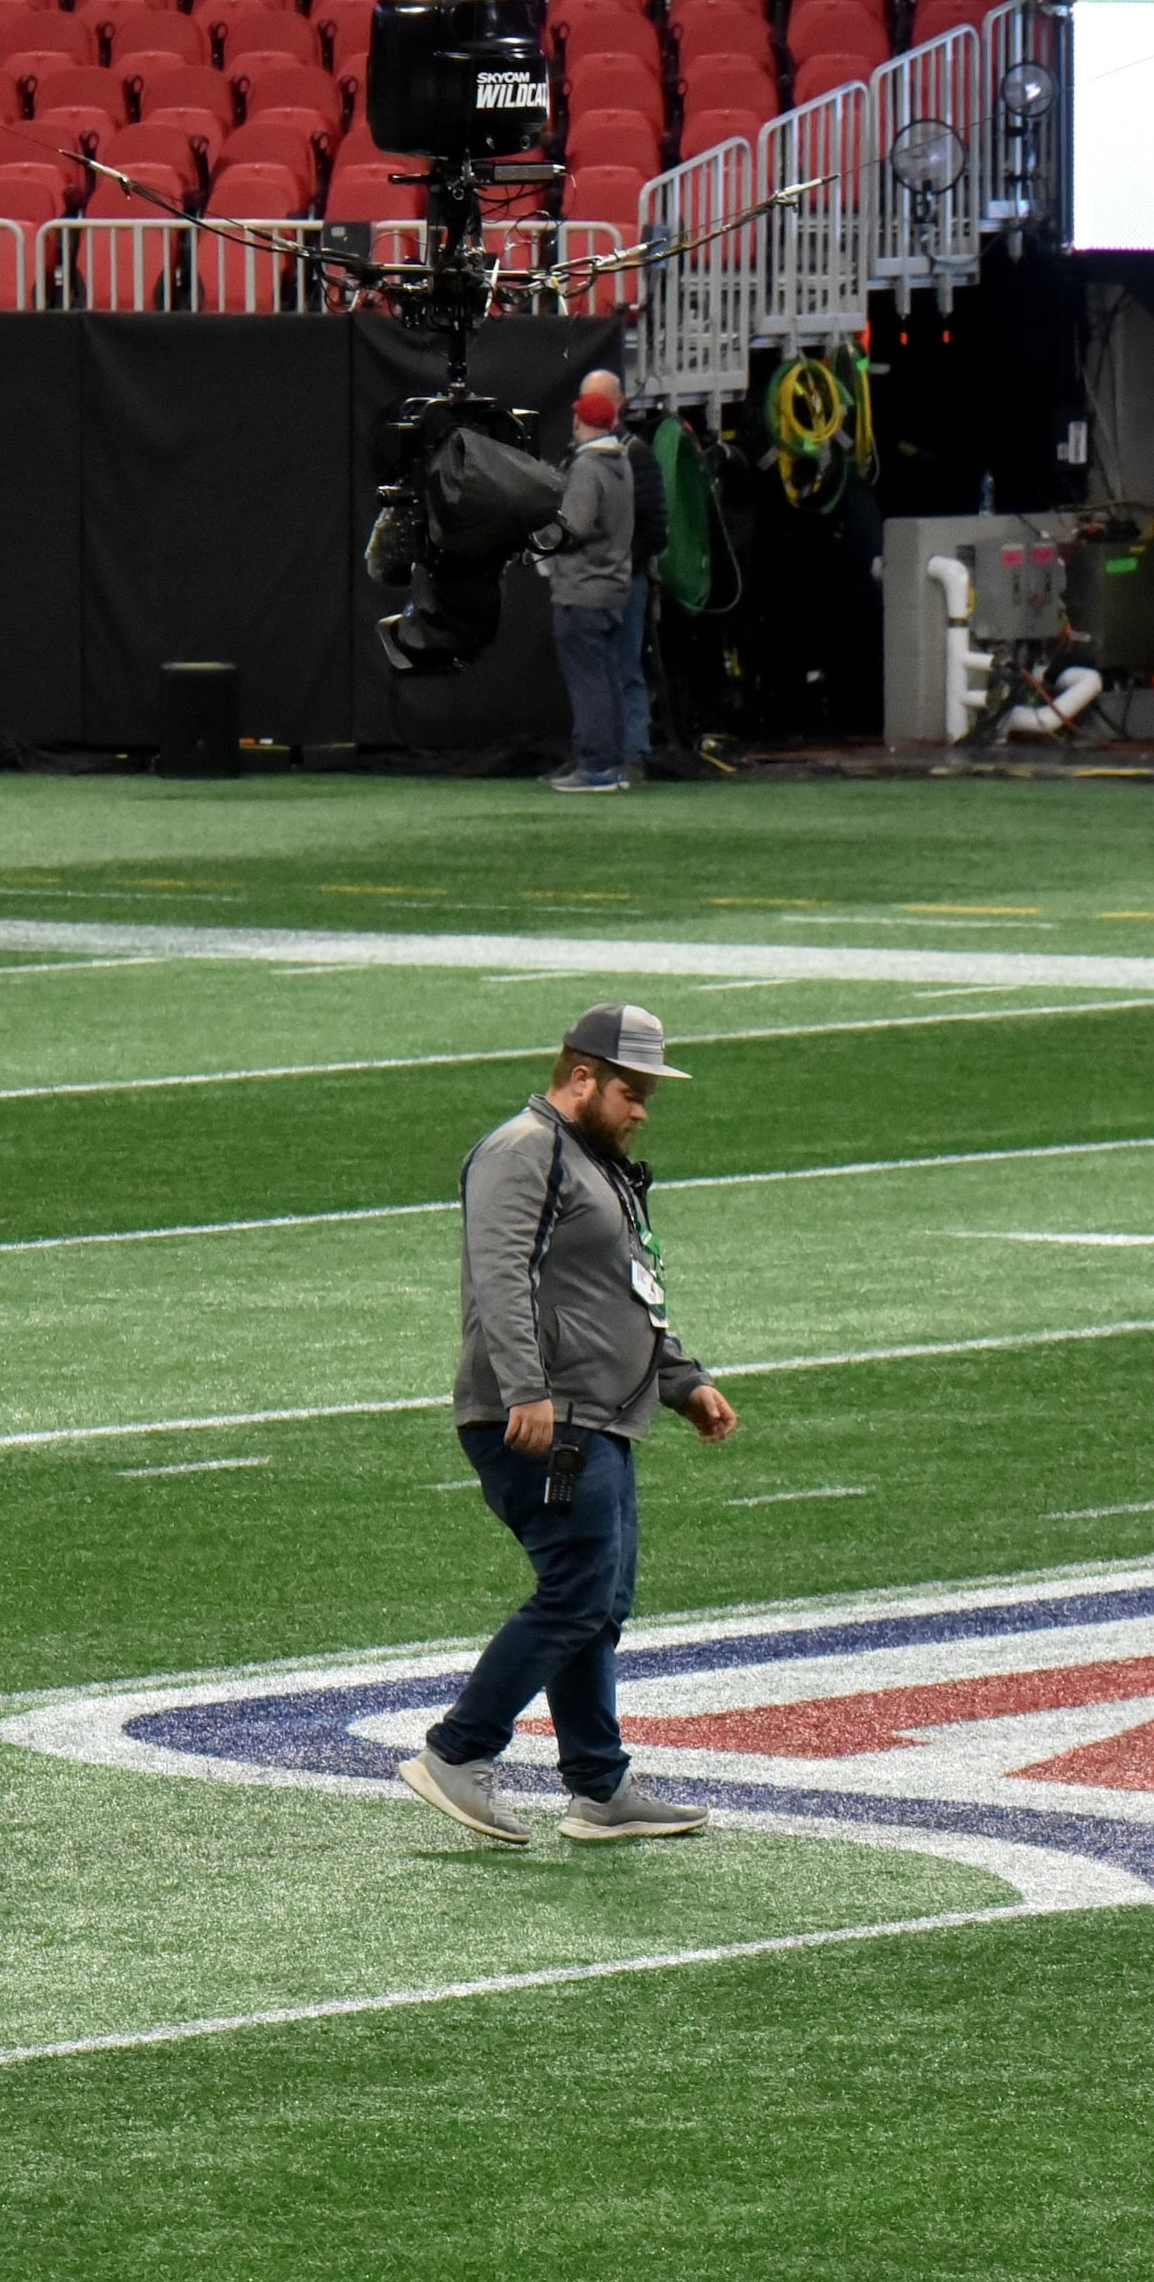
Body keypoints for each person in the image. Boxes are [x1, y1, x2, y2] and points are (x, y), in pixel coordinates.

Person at [399, 1004, 739, 1848]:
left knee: (599, 1602)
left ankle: (599, 1786)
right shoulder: (525, 1150)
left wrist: (681, 1381)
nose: (643, 1109)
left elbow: (626, 1292)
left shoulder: (594, 1163)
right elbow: (500, 1278)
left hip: (600, 1419)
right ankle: (458, 1752)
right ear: (581, 1077)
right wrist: (527, 1390)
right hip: (546, 1418)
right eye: (631, 1090)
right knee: (578, 1592)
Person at [535, 373, 636, 795]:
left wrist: (540, 547)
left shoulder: (588, 467)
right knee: (609, 680)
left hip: (582, 589)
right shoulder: (623, 462)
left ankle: (595, 766)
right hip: (613, 588)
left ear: (583, 425)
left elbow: (571, 526)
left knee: (589, 682)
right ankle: (610, 763)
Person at [616, 388, 670, 774]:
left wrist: (631, 563)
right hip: (602, 577)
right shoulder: (585, 455)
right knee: (609, 668)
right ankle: (603, 749)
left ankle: (634, 750)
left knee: (626, 665)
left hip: (625, 578)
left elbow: (654, 521)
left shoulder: (636, 455)